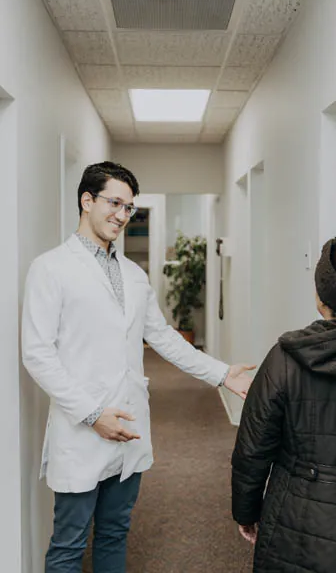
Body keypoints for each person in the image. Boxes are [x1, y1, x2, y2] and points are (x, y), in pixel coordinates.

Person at [22, 161, 254, 573]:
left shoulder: (132, 274)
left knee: (114, 533)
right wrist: (93, 415)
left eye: (129, 207)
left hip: (129, 426)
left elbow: (162, 337)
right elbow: (38, 354)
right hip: (81, 429)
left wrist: (221, 373)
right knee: (69, 543)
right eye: (115, 203)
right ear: (86, 200)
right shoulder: (50, 268)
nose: (122, 215)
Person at [231, 234, 336, 573]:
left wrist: (246, 513)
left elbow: (252, 450)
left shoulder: (285, 358)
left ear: (321, 298)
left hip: (296, 525)